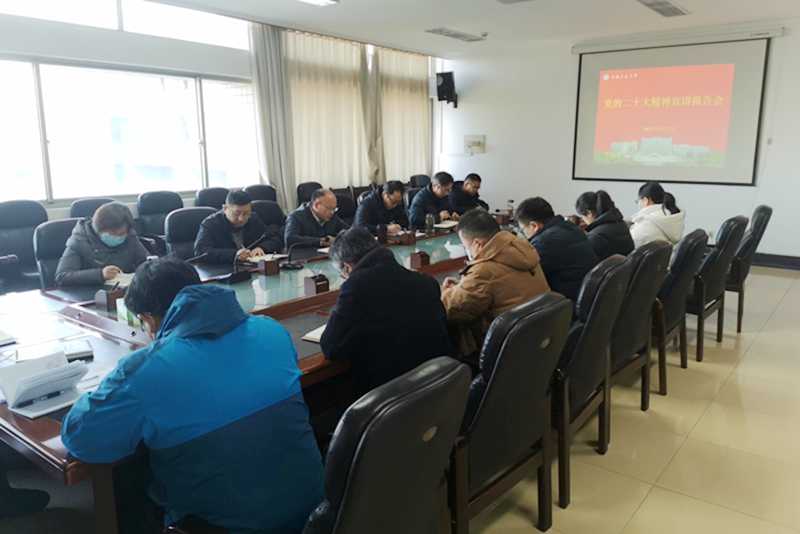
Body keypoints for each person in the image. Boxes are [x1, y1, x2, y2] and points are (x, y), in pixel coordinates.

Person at [61, 257, 324, 534]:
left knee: (127, 493)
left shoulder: (147, 369)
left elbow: (80, 438)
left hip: (228, 528)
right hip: (316, 513)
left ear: (148, 320)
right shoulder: (271, 330)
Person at [321, 227, 453, 390]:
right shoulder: (425, 281)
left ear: (348, 267)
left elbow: (332, 348)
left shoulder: (357, 288)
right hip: (442, 385)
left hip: (396, 394)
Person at [440, 210, 550, 356]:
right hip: (538, 339)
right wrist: (462, 287)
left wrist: (441, 290)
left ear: (478, 244)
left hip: (505, 350)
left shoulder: (483, 271)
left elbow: (452, 308)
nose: (467, 251)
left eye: (466, 247)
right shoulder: (523, 249)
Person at [517, 197, 598, 303]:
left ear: (534, 226)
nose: (524, 235)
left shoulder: (543, 242)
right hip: (588, 299)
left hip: (567, 305)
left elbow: (525, 278)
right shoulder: (572, 228)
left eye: (523, 231)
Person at [55, 201, 148, 286]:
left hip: (123, 290)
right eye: (112, 233)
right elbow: (62, 276)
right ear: (98, 228)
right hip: (91, 291)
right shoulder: (80, 241)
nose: (118, 237)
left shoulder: (129, 236)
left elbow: (145, 262)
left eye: (122, 233)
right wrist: (100, 274)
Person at [193, 190, 283, 263]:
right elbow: (201, 251)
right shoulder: (211, 224)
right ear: (225, 208)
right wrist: (234, 254)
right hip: (222, 270)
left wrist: (262, 247)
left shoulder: (253, 219)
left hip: (250, 268)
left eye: (246, 213)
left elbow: (275, 238)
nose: (241, 219)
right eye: (237, 213)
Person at [575, 190, 634, 260]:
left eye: (582, 217)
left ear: (589, 213)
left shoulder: (597, 236)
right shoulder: (621, 224)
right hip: (625, 266)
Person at [285, 189, 349, 248]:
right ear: (316, 205)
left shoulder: (332, 216)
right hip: (305, 255)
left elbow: (347, 230)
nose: (332, 212)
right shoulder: (297, 216)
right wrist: (320, 241)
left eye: (334, 209)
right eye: (330, 208)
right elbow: (290, 239)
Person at [630, 181, 685, 249]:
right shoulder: (670, 215)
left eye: (638, 200)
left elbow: (630, 244)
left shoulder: (646, 222)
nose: (638, 203)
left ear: (646, 200)